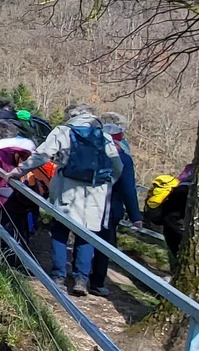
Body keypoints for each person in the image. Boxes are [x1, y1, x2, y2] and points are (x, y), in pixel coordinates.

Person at [10, 102, 121, 295]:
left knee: (60, 231)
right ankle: (81, 279)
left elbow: (42, 156)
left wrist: (19, 171)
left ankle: (59, 276)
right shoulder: (103, 136)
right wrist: (107, 182)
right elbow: (118, 166)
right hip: (96, 193)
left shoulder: (63, 131)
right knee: (87, 234)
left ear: (71, 116)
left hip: (67, 189)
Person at [86, 112, 142, 297]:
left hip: (87, 202)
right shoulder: (123, 158)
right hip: (110, 207)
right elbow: (128, 188)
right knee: (105, 244)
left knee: (84, 237)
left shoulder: (92, 152)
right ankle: (96, 282)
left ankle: (80, 274)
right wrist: (135, 216)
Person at [0, 120, 40, 243]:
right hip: (24, 193)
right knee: (21, 225)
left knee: (7, 228)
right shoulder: (24, 150)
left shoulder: (1, 153)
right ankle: (22, 249)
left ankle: (8, 252)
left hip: (5, 197)